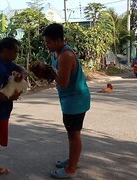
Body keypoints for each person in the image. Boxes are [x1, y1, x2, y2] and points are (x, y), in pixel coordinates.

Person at [42, 23, 91, 179]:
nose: (47, 45)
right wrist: (46, 73)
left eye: (48, 42)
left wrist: (48, 72)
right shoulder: (55, 54)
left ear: (57, 40)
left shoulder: (66, 55)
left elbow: (62, 82)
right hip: (68, 99)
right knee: (71, 132)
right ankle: (72, 160)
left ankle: (71, 169)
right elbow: (57, 76)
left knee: (74, 133)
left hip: (76, 100)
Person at [0, 37, 26, 180]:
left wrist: (22, 71)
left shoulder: (4, 61)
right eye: (14, 52)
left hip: (3, 110)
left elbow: (17, 67)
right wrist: (11, 98)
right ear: (6, 51)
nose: (16, 55)